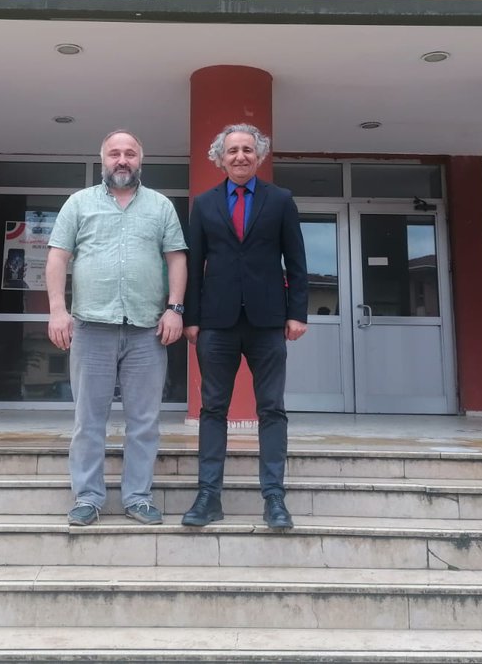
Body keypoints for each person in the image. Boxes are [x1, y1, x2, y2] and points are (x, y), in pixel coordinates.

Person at [46, 129, 187, 527]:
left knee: (144, 421)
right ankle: (88, 497)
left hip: (146, 330)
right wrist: (58, 310)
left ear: (141, 160)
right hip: (91, 327)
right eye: (114, 154)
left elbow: (176, 259)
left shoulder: (160, 206)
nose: (121, 160)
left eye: (129, 154)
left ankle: (138, 498)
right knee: (88, 420)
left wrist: (175, 308)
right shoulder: (79, 203)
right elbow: (58, 258)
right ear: (103, 159)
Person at [181, 123, 308, 530]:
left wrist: (297, 313)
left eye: (247, 150)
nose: (240, 156)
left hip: (268, 321)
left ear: (259, 155)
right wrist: (191, 318)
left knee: (271, 409)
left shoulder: (281, 200)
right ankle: (208, 497)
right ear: (220, 157)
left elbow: (298, 262)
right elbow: (194, 265)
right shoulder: (203, 204)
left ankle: (274, 499)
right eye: (232, 150)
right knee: (212, 410)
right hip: (216, 324)